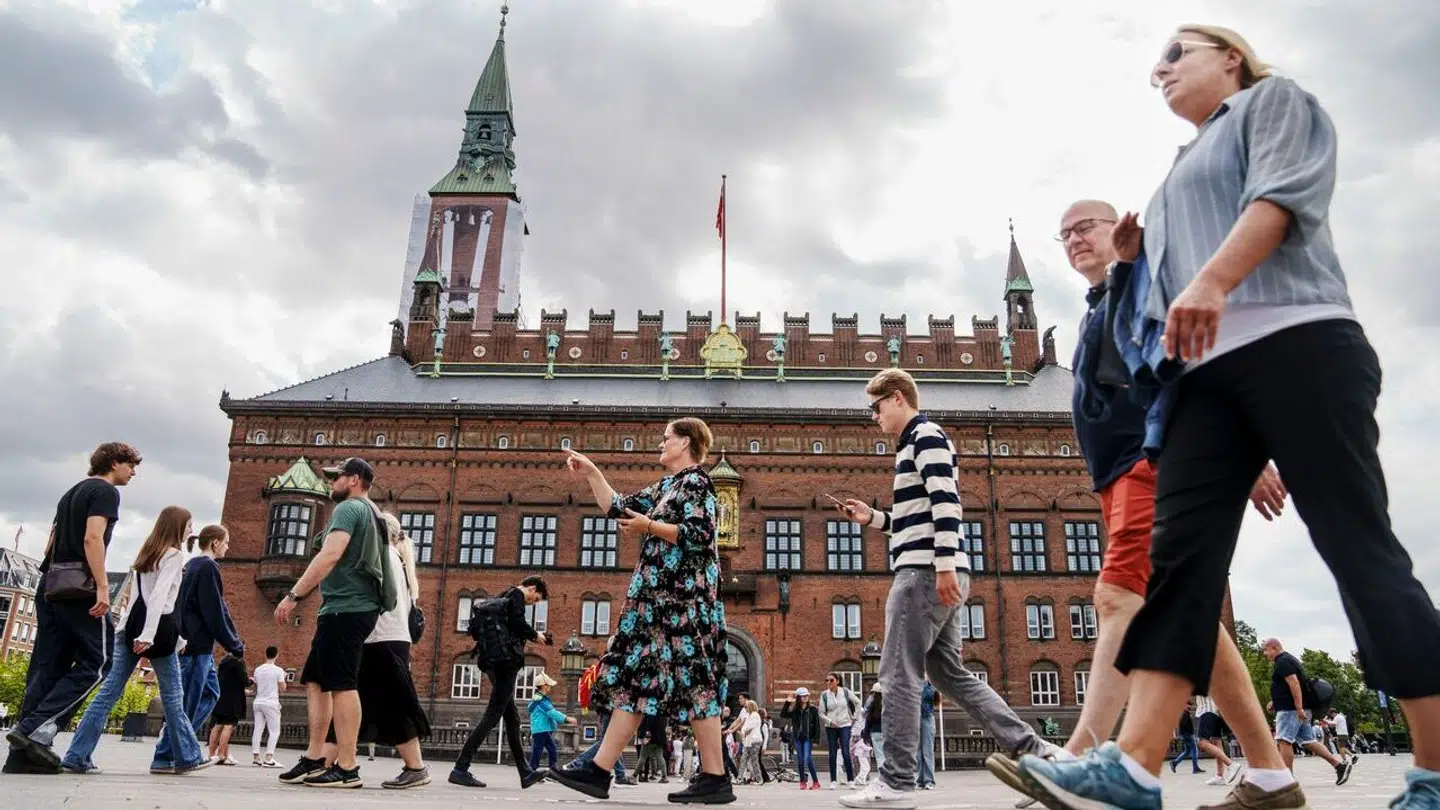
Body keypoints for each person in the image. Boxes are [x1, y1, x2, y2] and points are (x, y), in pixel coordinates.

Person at [1016, 25, 1440, 810]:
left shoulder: (1272, 103)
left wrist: (1210, 281)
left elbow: (1281, 198)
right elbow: (1143, 326)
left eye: (1178, 53)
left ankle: (1434, 771)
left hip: (1298, 339)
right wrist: (1136, 265)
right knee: (1179, 574)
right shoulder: (1174, 176)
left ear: (1230, 57)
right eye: (1158, 63)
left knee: (1358, 552)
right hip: (1200, 384)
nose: (1161, 69)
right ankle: (1133, 769)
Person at [987, 199, 1290, 810]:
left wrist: (1246, 446)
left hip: (1149, 464)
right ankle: (1271, 775)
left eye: (1087, 227)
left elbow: (1201, 356)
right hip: (1122, 476)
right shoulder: (1105, 302)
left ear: (1120, 229)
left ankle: (1077, 757)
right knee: (1196, 621)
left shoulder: (1147, 282)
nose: (1075, 238)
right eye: (1065, 233)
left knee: (1115, 597)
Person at [837, 368, 1060, 810]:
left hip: (924, 572)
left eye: (876, 407)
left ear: (897, 397)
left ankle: (896, 781)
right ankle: (1038, 755)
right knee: (949, 674)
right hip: (935, 567)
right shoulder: (912, 444)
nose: (874, 417)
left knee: (897, 673)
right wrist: (873, 519)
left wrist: (942, 566)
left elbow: (947, 504)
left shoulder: (925, 435)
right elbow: (917, 519)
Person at [549, 418, 733, 804]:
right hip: (654, 605)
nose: (661, 444)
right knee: (636, 681)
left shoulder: (697, 482)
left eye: (667, 438)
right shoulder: (666, 487)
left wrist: (650, 525)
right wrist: (593, 472)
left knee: (696, 682)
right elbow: (618, 508)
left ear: (685, 443)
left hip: (682, 603)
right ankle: (599, 770)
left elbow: (700, 535)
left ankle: (716, 777)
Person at [5, 442, 140, 774]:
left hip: (51, 584)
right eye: (131, 465)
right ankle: (33, 728)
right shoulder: (105, 492)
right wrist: (103, 587)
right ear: (114, 463)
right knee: (100, 661)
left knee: (47, 666)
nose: (133, 472)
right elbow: (92, 538)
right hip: (80, 587)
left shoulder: (70, 493)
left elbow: (50, 544)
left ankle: (21, 758)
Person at [274, 457, 397, 789]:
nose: (331, 483)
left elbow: (330, 554)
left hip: (347, 607)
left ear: (354, 480)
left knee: (342, 683)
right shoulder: (372, 512)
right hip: (346, 607)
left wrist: (294, 595)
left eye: (336, 477)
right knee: (316, 679)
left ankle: (347, 766)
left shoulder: (349, 508)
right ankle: (315, 757)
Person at [61, 506, 212, 776]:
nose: (192, 530)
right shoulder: (174, 555)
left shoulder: (147, 553)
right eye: (189, 525)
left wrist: (130, 631)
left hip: (129, 629)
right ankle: (187, 757)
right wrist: (149, 636)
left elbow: (139, 599)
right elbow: (160, 598)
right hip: (156, 634)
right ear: (177, 526)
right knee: (174, 698)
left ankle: (76, 755)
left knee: (107, 694)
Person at [330, 511, 432, 789]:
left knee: (389, 705)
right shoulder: (397, 559)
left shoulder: (382, 556)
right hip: (390, 639)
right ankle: (324, 761)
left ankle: (416, 767)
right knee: (356, 702)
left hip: (380, 639)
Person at [448, 575, 550, 789]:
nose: (533, 603)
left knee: (512, 718)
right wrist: (536, 635)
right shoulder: (517, 595)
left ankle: (525, 773)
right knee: (493, 714)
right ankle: (460, 768)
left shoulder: (504, 595)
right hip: (506, 663)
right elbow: (518, 623)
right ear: (532, 589)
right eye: (536, 599)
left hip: (492, 661)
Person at [155, 524, 244, 770]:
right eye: (226, 542)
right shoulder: (207, 567)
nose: (228, 547)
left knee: (211, 693)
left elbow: (217, 607)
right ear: (215, 542)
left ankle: (180, 746)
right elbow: (213, 610)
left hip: (194, 644)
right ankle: (166, 754)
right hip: (197, 646)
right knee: (189, 703)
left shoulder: (192, 566)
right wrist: (234, 644)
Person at [1262, 638, 1350, 781]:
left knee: (1284, 741)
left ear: (1274, 647)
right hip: (1297, 708)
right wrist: (1275, 701)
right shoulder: (1290, 660)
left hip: (1290, 710)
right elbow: (1290, 686)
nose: (1265, 654)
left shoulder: (1282, 662)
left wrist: (1298, 707)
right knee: (1308, 741)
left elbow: (1294, 683)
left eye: (1266, 650)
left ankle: (1287, 780)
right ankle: (1339, 766)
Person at [562, 651, 636, 785]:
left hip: (606, 707)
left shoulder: (607, 660)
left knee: (612, 740)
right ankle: (575, 764)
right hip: (612, 707)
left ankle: (620, 775)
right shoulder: (616, 660)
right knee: (607, 741)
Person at [820, 673, 861, 789]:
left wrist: (855, 718)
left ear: (837, 681)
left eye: (831, 680)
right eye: (827, 680)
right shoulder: (824, 695)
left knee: (846, 753)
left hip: (845, 725)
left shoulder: (845, 692)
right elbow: (821, 713)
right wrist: (830, 721)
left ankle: (851, 780)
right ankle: (833, 781)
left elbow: (858, 702)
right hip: (831, 727)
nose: (828, 682)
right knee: (832, 753)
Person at [209, 652, 250, 765]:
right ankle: (221, 755)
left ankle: (211, 755)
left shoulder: (223, 662)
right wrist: (251, 681)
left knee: (218, 725)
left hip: (221, 698)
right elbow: (245, 681)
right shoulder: (238, 662)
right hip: (233, 701)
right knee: (228, 725)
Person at [527, 672, 572, 771]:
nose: (550, 687)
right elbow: (552, 713)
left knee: (547, 749)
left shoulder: (538, 699)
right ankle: (536, 769)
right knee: (541, 750)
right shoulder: (541, 700)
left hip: (541, 729)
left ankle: (546, 768)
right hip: (542, 729)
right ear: (544, 686)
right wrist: (566, 719)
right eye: (549, 685)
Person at [251, 646, 286, 767]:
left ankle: (256, 757)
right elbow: (283, 688)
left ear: (265, 654)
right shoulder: (279, 670)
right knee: (274, 731)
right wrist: (284, 677)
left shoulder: (258, 669)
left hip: (258, 701)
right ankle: (269, 758)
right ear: (277, 655)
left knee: (258, 729)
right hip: (271, 702)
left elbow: (256, 685)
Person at [782, 688, 821, 789]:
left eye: (806, 695)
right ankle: (802, 781)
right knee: (800, 760)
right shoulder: (795, 710)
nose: (805, 697)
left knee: (807, 759)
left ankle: (816, 782)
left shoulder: (813, 709)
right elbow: (783, 714)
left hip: (808, 738)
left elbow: (817, 725)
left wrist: (816, 739)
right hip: (798, 738)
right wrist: (787, 702)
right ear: (799, 698)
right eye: (803, 696)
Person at [1196, 703, 1241, 786]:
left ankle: (1231, 764)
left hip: (1206, 710)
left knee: (1202, 743)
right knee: (1216, 742)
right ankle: (1219, 776)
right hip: (1216, 712)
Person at [1170, 700, 1203, 775]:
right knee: (1195, 750)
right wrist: (1190, 734)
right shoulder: (1184, 713)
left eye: (1191, 705)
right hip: (1188, 735)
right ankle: (1195, 768)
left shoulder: (1184, 713)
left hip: (1186, 735)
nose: (1190, 706)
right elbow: (1184, 725)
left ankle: (1174, 763)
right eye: (1189, 705)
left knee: (1187, 752)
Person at [916, 681, 937, 789]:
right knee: (918, 752)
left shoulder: (930, 686)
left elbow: (928, 696)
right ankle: (920, 780)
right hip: (916, 718)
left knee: (927, 751)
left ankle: (929, 781)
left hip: (927, 718)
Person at [862, 684, 884, 772]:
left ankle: (882, 775)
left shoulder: (872, 704)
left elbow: (868, 720)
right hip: (887, 733)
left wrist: (865, 734)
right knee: (887, 756)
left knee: (879, 756)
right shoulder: (889, 704)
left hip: (876, 733)